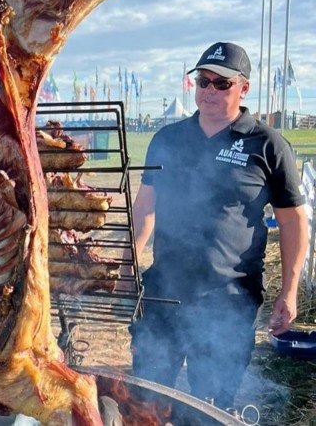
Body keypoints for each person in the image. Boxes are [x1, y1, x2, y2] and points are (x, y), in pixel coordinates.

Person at [128, 42, 308, 409]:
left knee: (209, 404)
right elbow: (146, 207)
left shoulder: (268, 145)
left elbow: (293, 222)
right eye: (203, 81)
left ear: (243, 88)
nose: (209, 90)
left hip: (228, 299)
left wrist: (288, 291)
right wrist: (125, 263)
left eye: (221, 84)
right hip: (164, 291)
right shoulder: (168, 139)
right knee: (146, 397)